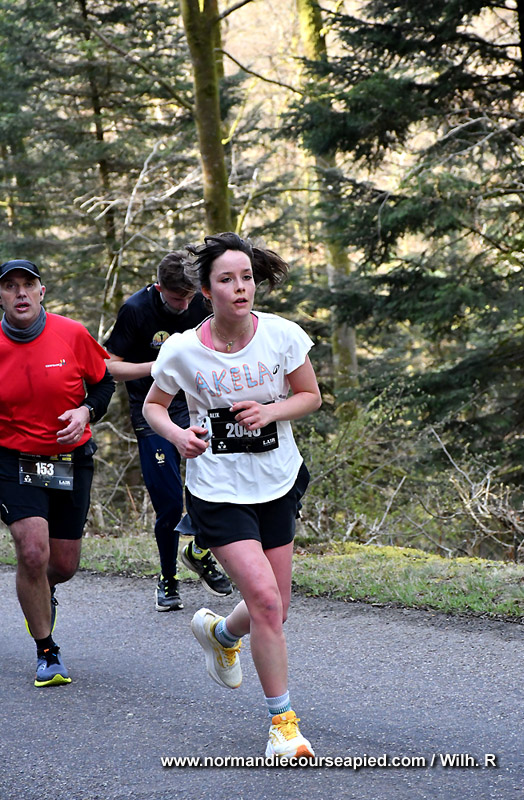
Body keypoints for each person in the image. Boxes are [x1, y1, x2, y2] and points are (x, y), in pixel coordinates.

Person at [143, 232, 322, 758]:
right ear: (206, 290)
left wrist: (271, 410)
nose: (240, 287)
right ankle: (283, 726)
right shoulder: (182, 350)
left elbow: (310, 395)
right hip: (218, 490)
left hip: (278, 481)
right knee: (264, 599)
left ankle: (221, 635)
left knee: (276, 609)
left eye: (246, 277)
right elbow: (154, 406)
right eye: (227, 279)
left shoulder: (282, 336)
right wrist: (177, 436)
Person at [0, 259, 114, 687]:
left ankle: (39, 591)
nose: (20, 293)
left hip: (69, 458)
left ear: (42, 291)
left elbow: (104, 384)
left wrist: (85, 412)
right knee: (33, 552)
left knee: (62, 564)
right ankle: (46, 650)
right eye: (10, 286)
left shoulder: (72, 334)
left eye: (28, 284)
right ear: (0, 297)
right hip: (13, 460)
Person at [104, 252, 231, 611]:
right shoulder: (136, 310)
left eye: (190, 297)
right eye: (177, 298)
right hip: (152, 411)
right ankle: (167, 578)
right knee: (170, 503)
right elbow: (108, 366)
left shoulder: (201, 302)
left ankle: (199, 550)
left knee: (222, 487)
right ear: (159, 289)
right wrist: (159, 366)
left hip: (196, 407)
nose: (185, 305)